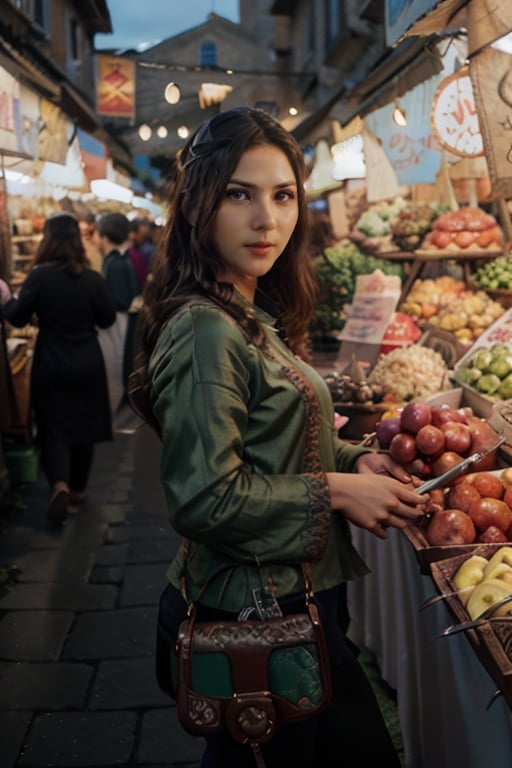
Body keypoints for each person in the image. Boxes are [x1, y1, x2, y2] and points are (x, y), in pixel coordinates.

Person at [139, 107, 427, 768]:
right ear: (195, 206)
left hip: (293, 602)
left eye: (283, 195)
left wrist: (361, 460)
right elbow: (204, 497)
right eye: (239, 194)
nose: (266, 219)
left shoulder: (246, 312)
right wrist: (335, 490)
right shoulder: (206, 330)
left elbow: (278, 437)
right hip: (257, 614)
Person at [0, 213, 116, 523]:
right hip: (88, 360)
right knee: (85, 427)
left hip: (51, 359)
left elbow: (17, 317)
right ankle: (78, 490)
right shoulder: (93, 278)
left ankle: (59, 484)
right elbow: (107, 318)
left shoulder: (39, 276)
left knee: (53, 427)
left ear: (48, 240)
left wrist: (7, 298)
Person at [96, 212, 140, 415]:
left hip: (117, 323)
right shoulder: (121, 259)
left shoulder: (114, 262)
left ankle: (113, 414)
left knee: (115, 366)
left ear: (105, 236)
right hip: (121, 321)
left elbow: (121, 299)